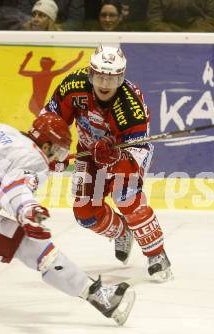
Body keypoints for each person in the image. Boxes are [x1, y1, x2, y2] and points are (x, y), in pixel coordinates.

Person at [0, 112, 136, 326]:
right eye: (58, 151)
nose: (58, 157)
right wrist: (28, 211)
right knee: (34, 248)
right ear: (46, 146)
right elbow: (15, 187)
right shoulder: (35, 159)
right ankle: (101, 298)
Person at [42, 46, 173, 281]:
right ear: (91, 74)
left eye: (112, 78)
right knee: (85, 214)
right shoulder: (72, 86)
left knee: (126, 197)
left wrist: (114, 157)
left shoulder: (130, 106)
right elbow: (51, 122)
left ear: (121, 79)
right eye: (100, 76)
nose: (105, 83)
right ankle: (122, 232)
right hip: (87, 151)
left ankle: (156, 253)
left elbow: (136, 156)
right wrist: (53, 154)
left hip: (125, 153)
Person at [146, 0, 214, 32]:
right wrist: (172, 38)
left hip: (201, 45)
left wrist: (189, 37)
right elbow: (153, 20)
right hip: (167, 45)